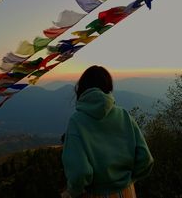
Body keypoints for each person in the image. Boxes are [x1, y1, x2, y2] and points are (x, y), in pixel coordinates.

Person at [61, 65, 154, 198]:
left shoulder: (77, 122)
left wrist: (71, 192)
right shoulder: (124, 115)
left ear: (81, 89)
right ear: (108, 88)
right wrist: (126, 180)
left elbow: (80, 172)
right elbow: (146, 159)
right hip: (127, 192)